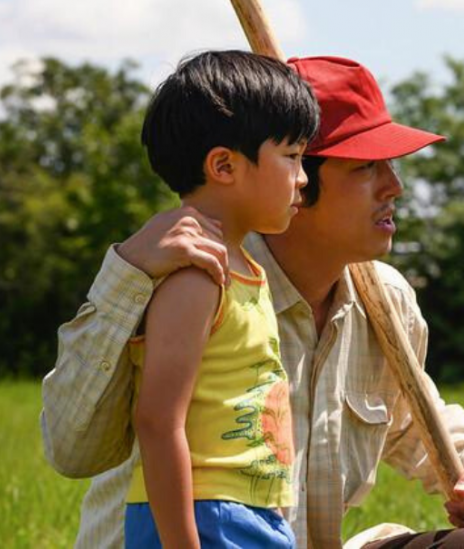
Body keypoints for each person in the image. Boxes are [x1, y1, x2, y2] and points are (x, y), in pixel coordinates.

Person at [41, 55, 464, 549]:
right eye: (365, 167)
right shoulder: (191, 274)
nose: (395, 187)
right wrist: (125, 274)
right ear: (301, 180)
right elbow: (72, 450)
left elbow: (413, 417)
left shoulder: (387, 300)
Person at [123, 50, 318, 547]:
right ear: (225, 165)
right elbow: (157, 420)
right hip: (206, 516)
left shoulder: (245, 270)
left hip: (247, 513)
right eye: (293, 156)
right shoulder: (196, 278)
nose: (303, 178)